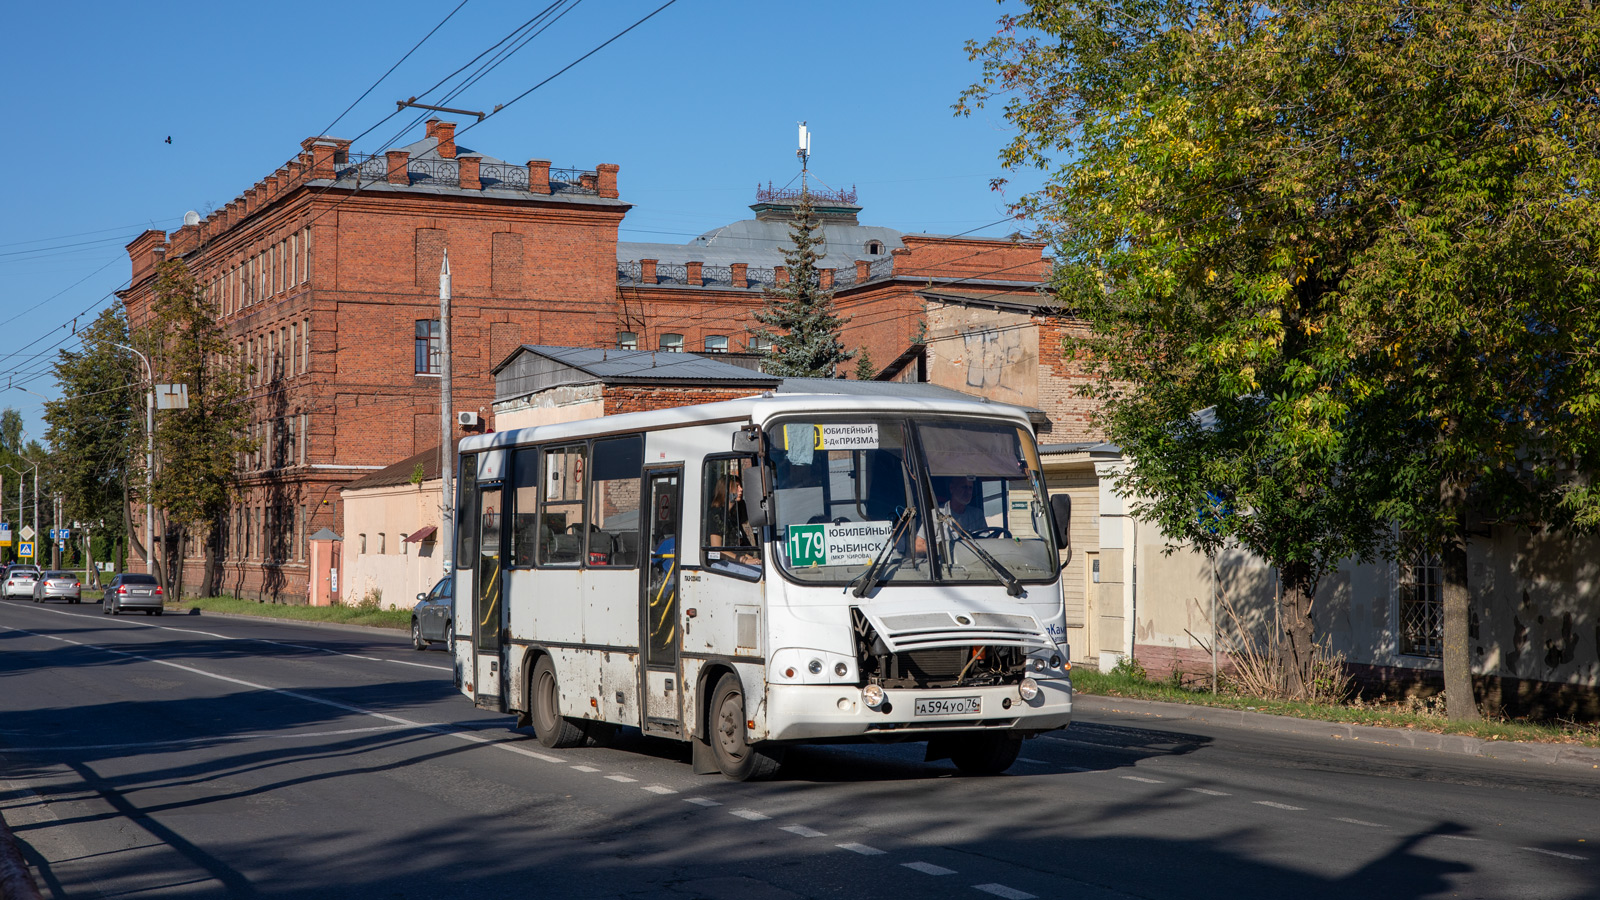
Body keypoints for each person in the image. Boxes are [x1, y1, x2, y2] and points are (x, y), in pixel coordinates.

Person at [706, 468, 760, 569]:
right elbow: (717, 549)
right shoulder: (715, 515)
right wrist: (744, 560)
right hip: (720, 563)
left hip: (733, 561)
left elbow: (737, 549)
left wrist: (754, 560)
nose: (741, 489)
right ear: (726, 490)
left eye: (740, 486)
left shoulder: (733, 515)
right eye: (736, 486)